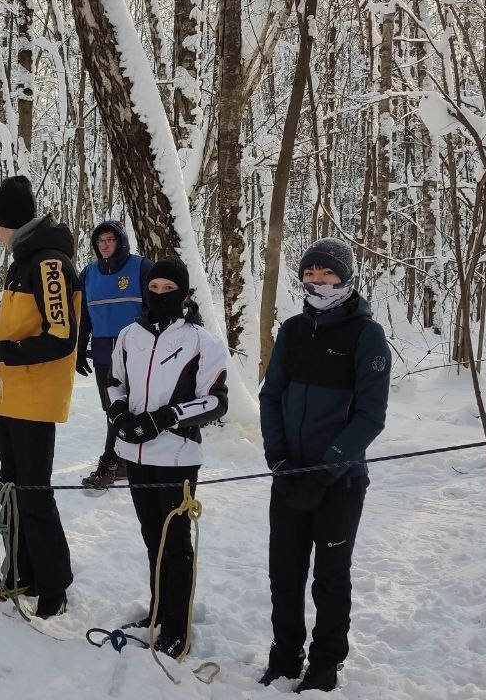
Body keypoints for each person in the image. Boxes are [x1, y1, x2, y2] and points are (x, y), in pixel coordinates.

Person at [258, 237, 390, 693]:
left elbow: (371, 416)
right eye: (311, 274)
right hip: (289, 475)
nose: (318, 282)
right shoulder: (292, 331)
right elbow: (270, 396)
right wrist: (276, 457)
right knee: (284, 570)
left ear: (346, 277)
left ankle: (325, 661)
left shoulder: (366, 335)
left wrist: (329, 467)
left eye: (327, 274)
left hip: (340, 481)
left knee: (330, 576)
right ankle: (285, 653)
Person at [0, 176, 79, 619]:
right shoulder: (23, 260)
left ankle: (54, 584)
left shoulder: (48, 262)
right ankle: (20, 573)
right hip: (9, 397)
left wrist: (0, 353)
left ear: (10, 223)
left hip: (34, 399)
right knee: (12, 491)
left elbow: (60, 337)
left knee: (33, 493)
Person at [106, 257, 228, 659]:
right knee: (150, 536)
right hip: (135, 453)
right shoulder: (129, 335)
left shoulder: (201, 341)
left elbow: (216, 401)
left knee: (174, 543)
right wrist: (120, 414)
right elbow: (114, 382)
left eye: (168, 290)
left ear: (183, 293)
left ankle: (178, 627)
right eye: (154, 289)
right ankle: (159, 610)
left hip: (177, 455)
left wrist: (166, 418)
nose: (160, 296)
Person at [77, 220, 152, 490]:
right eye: (100, 241)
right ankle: (123, 461)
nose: (105, 245)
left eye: (110, 239)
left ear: (120, 241)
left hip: (136, 352)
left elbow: (155, 308)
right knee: (111, 409)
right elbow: (83, 316)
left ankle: (111, 462)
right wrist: (79, 349)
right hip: (102, 353)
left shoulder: (141, 268)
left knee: (129, 407)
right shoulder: (88, 274)